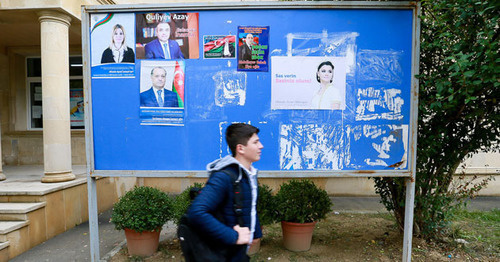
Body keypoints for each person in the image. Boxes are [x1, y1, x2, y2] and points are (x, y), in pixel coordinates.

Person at [187, 123, 264, 262]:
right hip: (223, 252)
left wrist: (255, 232)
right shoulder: (224, 177)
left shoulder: (248, 174)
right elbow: (196, 212)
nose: (261, 146)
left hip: (237, 251)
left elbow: (249, 205)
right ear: (240, 148)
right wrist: (234, 236)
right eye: (256, 142)